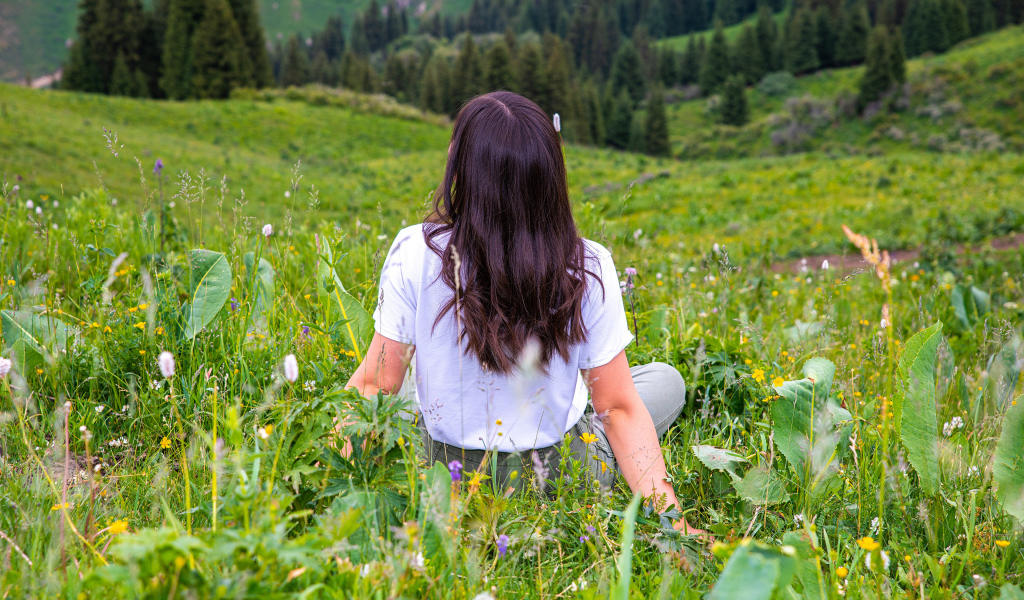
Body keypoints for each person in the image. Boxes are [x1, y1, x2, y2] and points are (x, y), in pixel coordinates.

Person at [345, 91, 706, 537]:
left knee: (400, 393)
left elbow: (373, 386)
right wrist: (676, 529)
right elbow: (616, 409)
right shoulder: (587, 265)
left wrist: (320, 474)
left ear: (462, 171)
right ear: (551, 177)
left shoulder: (416, 251)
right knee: (664, 381)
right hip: (556, 477)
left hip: (445, 477)